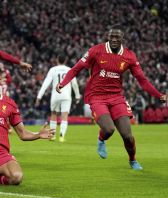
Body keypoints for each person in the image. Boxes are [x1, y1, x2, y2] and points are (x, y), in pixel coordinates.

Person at [56, 25, 167, 170]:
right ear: (108, 37)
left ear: (122, 39)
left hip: (116, 97)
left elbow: (142, 79)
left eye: (117, 37)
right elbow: (76, 68)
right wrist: (63, 83)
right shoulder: (95, 51)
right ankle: (101, 139)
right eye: (111, 36)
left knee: (127, 136)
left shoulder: (129, 56)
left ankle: (132, 160)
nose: (114, 39)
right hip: (97, 96)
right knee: (109, 129)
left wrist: (158, 95)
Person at [35, 54, 80, 142]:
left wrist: (39, 96)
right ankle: (62, 136)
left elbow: (45, 83)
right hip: (66, 95)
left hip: (55, 95)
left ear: (57, 60)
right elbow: (74, 84)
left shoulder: (53, 70)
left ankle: (52, 135)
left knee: (54, 114)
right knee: (64, 115)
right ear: (66, 61)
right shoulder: (69, 69)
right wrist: (77, 96)